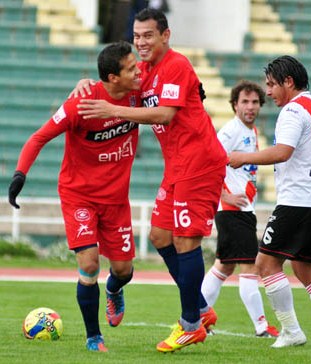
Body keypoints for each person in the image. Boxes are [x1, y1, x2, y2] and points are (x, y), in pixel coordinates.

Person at [72, 8, 228, 353]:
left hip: (199, 162)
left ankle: (191, 324)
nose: (141, 42)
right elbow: (114, 84)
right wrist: (86, 84)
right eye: (137, 36)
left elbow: (165, 114)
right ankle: (202, 308)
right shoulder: (142, 70)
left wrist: (113, 111)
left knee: (186, 240)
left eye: (148, 36)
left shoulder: (176, 65)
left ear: (165, 36)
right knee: (160, 235)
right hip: (176, 166)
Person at [8, 41, 142, 352]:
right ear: (112, 78)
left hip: (116, 200)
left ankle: (114, 290)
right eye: (131, 69)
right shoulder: (81, 103)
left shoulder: (139, 91)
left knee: (123, 270)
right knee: (90, 264)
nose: (138, 72)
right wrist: (20, 174)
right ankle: (94, 337)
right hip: (79, 195)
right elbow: (39, 137)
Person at [229, 55, 311, 348]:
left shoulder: (293, 110)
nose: (268, 92)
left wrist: (241, 157)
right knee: (304, 267)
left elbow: (282, 152)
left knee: (265, 264)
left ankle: (291, 331)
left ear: (288, 82)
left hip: (297, 202)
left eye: (271, 85)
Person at [201, 80, 279, 338]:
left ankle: (196, 318)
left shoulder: (250, 130)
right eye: (244, 102)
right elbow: (209, 162)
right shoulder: (230, 131)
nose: (250, 107)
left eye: (255, 102)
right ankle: (261, 326)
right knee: (250, 267)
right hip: (232, 211)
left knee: (224, 267)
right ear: (234, 105)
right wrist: (224, 195)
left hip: (242, 211)